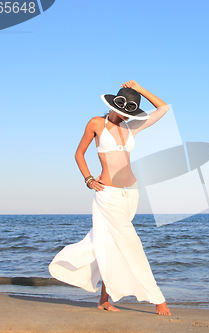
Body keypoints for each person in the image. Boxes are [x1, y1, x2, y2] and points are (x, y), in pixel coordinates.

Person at [48, 80, 171, 315]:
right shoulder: (96, 123)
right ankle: (158, 299)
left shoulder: (131, 126)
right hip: (108, 194)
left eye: (130, 112)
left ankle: (104, 299)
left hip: (131, 193)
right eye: (124, 111)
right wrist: (88, 179)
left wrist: (140, 88)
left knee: (110, 245)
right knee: (131, 243)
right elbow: (79, 153)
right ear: (114, 105)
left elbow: (163, 108)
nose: (126, 116)